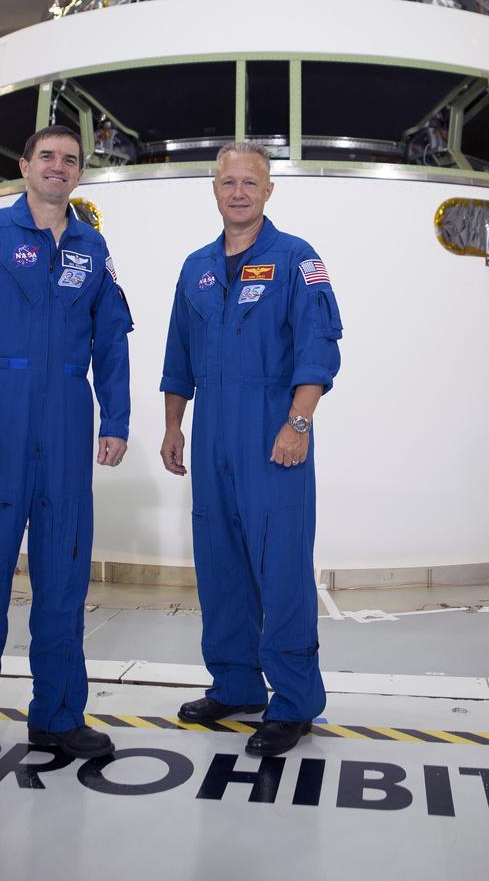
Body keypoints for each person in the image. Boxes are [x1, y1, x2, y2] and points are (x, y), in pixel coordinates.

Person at [0, 126, 133, 783]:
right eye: (46, 156)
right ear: (24, 166)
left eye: (70, 160)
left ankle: (56, 713)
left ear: (79, 173)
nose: (57, 166)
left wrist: (117, 417)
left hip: (67, 425)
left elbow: (112, 337)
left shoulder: (91, 246)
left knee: (64, 583)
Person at [159, 141, 342, 757]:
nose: (237, 192)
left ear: (269, 191)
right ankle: (235, 685)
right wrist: (172, 426)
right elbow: (177, 356)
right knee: (220, 563)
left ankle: (292, 701)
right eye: (226, 182)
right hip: (210, 433)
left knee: (281, 569)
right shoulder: (197, 267)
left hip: (272, 431)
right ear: (214, 188)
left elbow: (319, 348)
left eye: (249, 183)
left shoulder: (297, 259)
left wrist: (299, 423)